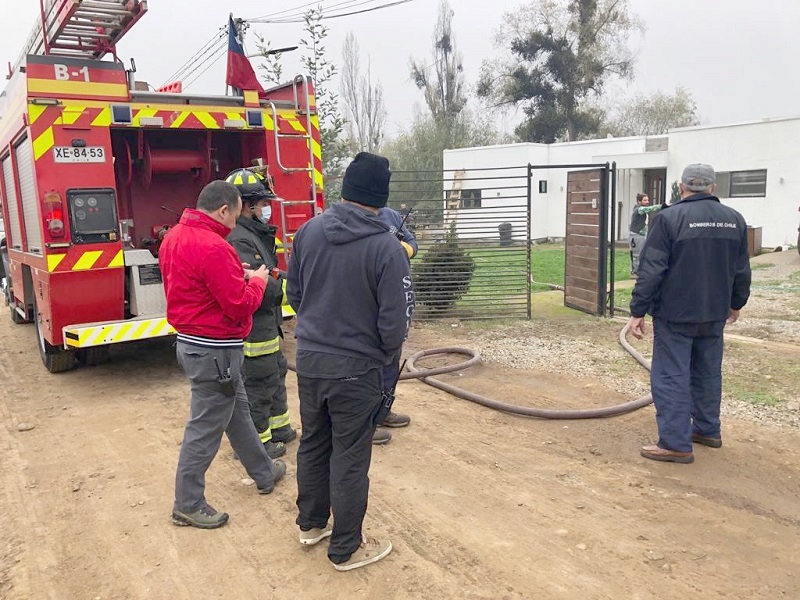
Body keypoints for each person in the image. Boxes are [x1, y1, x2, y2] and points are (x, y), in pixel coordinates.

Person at [287, 152, 413, 571]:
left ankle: (311, 524)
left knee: (313, 442)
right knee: (350, 455)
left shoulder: (307, 233)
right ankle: (344, 548)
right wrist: (379, 356)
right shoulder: (387, 249)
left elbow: (295, 297)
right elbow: (395, 325)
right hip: (357, 370)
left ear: (346, 188)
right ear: (381, 197)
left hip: (310, 361)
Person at [159, 180, 287, 529]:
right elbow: (239, 305)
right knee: (204, 429)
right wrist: (257, 281)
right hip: (215, 351)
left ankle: (264, 472)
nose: (238, 222)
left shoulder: (174, 238)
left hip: (194, 345)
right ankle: (187, 503)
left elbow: (198, 282)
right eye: (238, 213)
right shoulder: (215, 246)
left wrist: (238, 274)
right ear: (224, 210)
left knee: (238, 414)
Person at [628, 164, 751, 464]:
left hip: (676, 315)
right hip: (713, 314)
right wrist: (736, 303)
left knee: (671, 375)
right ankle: (708, 430)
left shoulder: (669, 218)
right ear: (712, 188)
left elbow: (652, 269)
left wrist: (637, 311)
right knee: (708, 372)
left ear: (682, 188)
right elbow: (741, 269)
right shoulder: (734, 220)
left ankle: (674, 442)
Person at [226, 169, 297, 460]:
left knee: (275, 376)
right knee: (258, 386)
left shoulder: (254, 234)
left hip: (268, 327)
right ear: (245, 205)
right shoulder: (239, 239)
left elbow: (267, 273)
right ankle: (259, 444)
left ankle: (280, 430)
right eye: (260, 203)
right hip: (254, 332)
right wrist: (280, 286)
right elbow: (260, 287)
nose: (265, 209)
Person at [372, 205, 418, 439]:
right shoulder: (359, 219)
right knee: (371, 365)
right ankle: (367, 422)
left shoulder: (392, 216)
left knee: (392, 360)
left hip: (395, 297)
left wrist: (402, 248)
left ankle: (384, 412)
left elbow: (414, 245)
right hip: (371, 302)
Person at [629, 193, 662, 277]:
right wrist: (662, 206)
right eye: (645, 200)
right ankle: (635, 272)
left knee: (642, 254)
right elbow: (649, 209)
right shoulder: (639, 209)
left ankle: (639, 271)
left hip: (641, 235)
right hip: (636, 236)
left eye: (647, 200)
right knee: (637, 255)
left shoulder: (641, 209)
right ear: (639, 201)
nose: (647, 202)